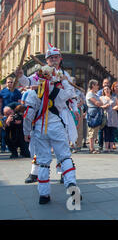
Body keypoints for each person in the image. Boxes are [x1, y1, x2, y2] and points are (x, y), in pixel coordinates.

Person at [17, 44, 79, 185]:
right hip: (42, 113)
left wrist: (74, 109)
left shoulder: (65, 74)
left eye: (56, 57)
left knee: (62, 145)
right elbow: (28, 82)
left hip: (60, 113)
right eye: (51, 58)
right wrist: (21, 76)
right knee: (38, 143)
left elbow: (72, 95)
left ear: (60, 59)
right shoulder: (40, 72)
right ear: (47, 60)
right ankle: (35, 172)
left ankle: (64, 172)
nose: (54, 60)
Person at [22, 65, 79, 204]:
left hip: (40, 131)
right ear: (54, 78)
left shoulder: (32, 94)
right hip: (57, 128)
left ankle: (44, 195)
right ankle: (71, 184)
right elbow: (71, 92)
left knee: (43, 162)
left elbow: (28, 115)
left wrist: (26, 131)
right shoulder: (59, 92)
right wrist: (65, 80)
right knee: (65, 157)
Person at [86, 80, 108, 154]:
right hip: (92, 113)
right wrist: (100, 103)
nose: (98, 86)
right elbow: (97, 103)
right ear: (93, 85)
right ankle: (91, 148)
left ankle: (93, 148)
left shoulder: (95, 94)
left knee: (95, 131)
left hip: (97, 112)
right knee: (91, 131)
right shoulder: (90, 94)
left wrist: (100, 103)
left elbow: (100, 102)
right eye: (97, 85)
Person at [100, 86, 118, 153]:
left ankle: (111, 148)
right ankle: (106, 148)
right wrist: (104, 106)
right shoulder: (101, 98)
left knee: (112, 133)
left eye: (107, 89)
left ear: (110, 90)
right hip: (106, 117)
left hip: (113, 117)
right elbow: (99, 106)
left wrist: (116, 107)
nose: (106, 90)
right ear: (103, 91)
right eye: (105, 89)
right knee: (106, 132)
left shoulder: (114, 98)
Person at [96, 78, 110, 151]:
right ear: (102, 84)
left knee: (108, 130)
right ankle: (100, 145)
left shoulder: (111, 92)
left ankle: (108, 146)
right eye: (105, 83)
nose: (106, 84)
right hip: (101, 113)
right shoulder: (99, 93)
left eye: (107, 83)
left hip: (109, 115)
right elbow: (97, 102)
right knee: (101, 130)